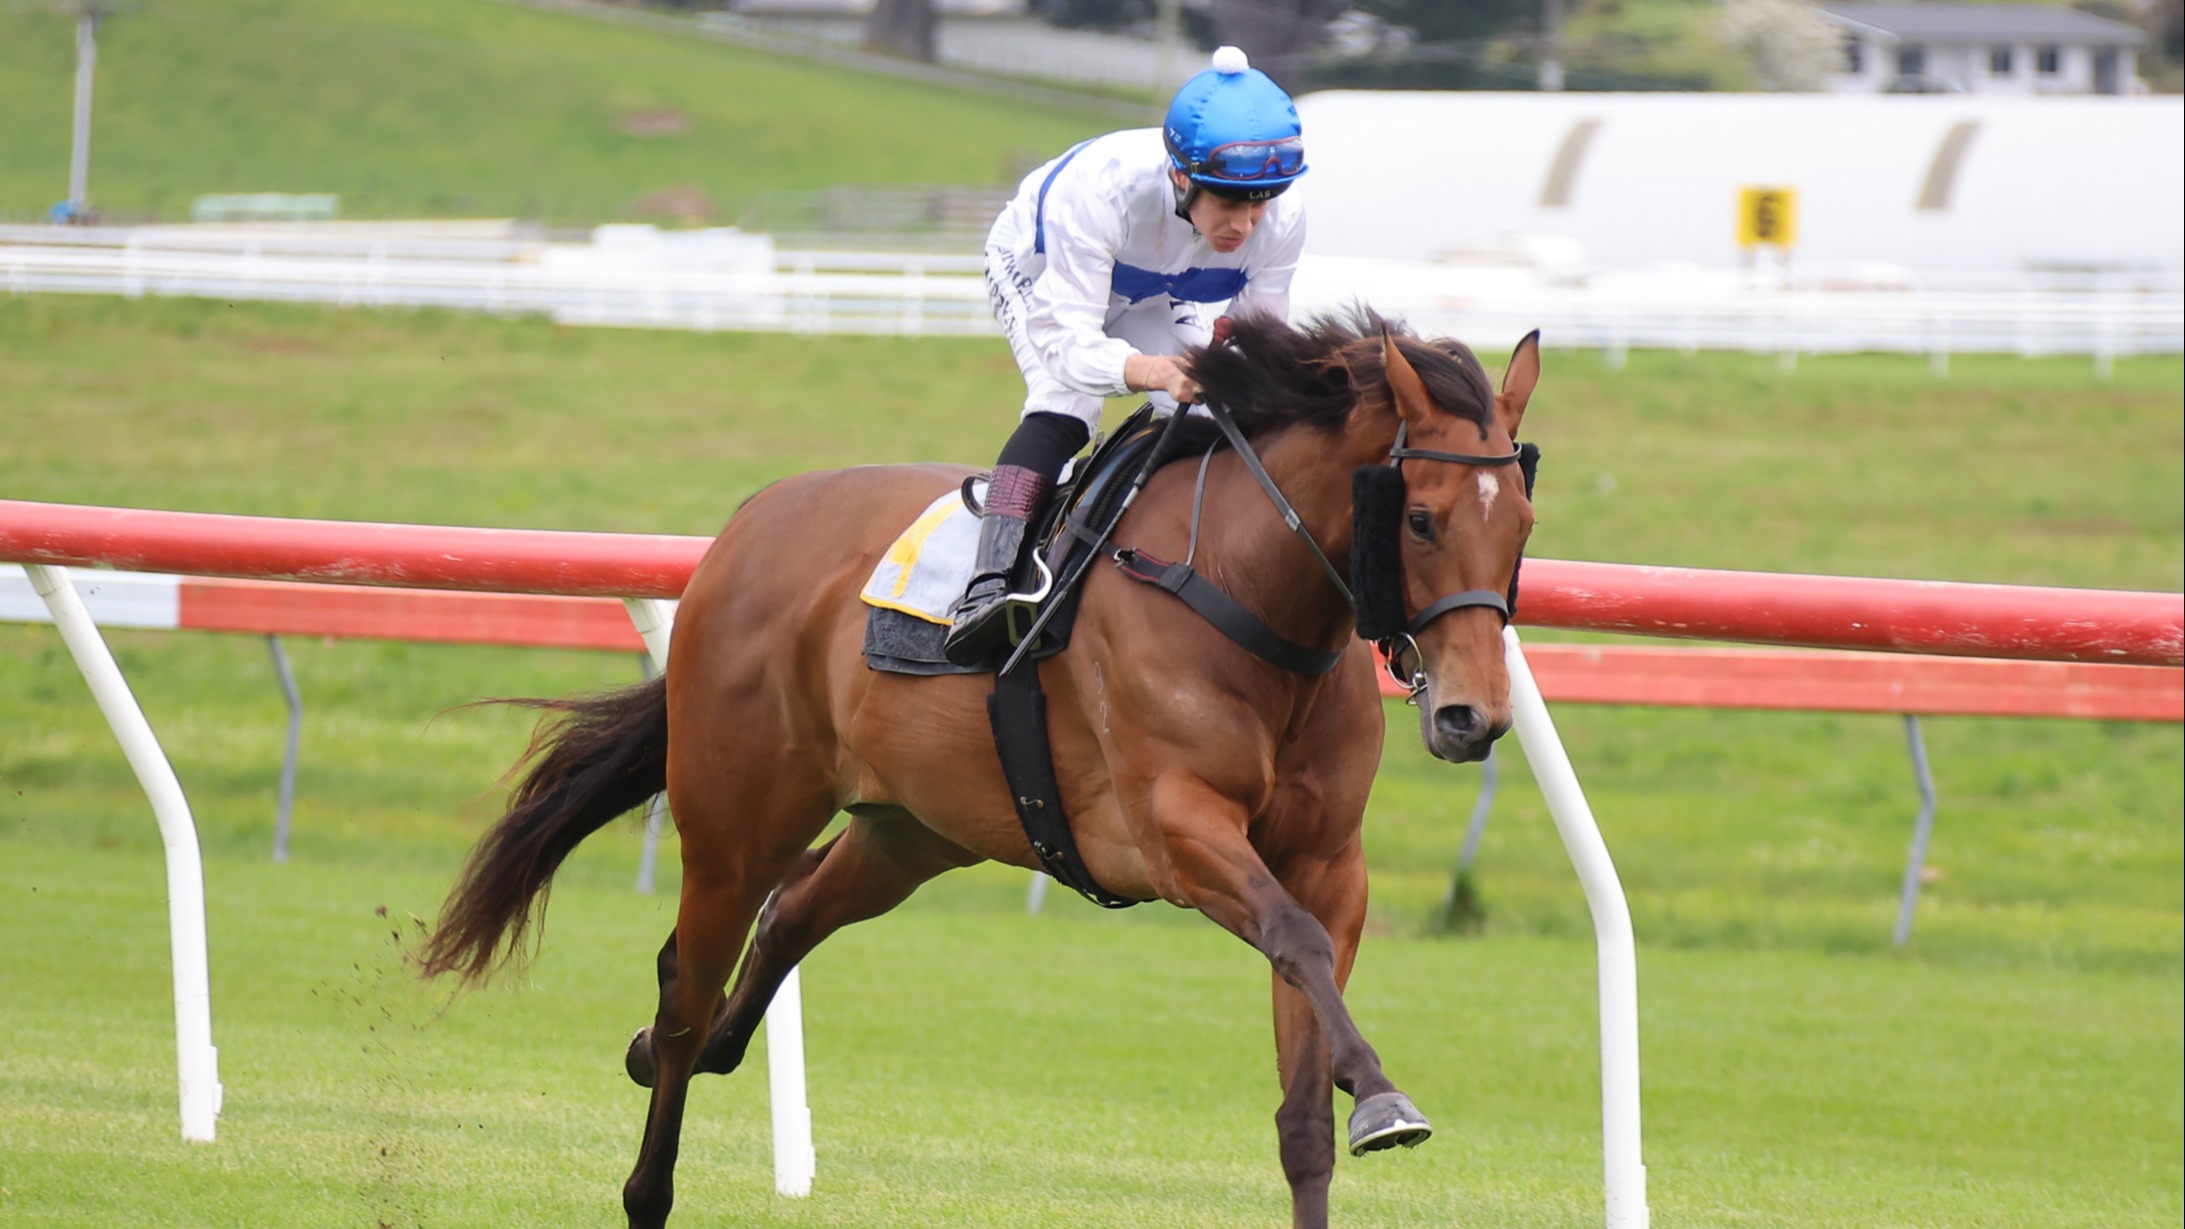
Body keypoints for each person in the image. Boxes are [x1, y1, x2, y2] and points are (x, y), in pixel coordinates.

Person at [943, 46, 1310, 665]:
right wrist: (1153, 371)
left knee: (1217, 411)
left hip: (1154, 284)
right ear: (1181, 177)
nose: (1245, 226)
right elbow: (1067, 345)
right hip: (1042, 270)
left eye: (1260, 203)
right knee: (1068, 403)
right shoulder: (1100, 191)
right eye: (1229, 202)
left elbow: (1260, 347)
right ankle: (987, 587)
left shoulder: (1283, 218)